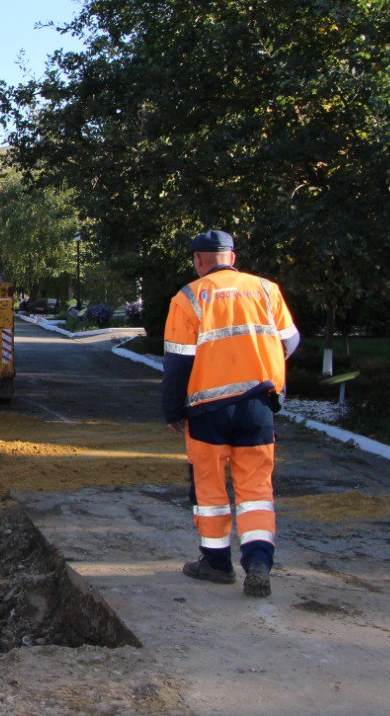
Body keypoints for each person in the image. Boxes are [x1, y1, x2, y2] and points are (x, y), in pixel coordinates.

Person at [161, 230, 299, 598]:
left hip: (207, 411)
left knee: (209, 487)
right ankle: (257, 560)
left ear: (199, 260)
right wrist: (264, 365)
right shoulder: (266, 290)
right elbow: (291, 340)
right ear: (232, 257)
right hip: (258, 405)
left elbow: (178, 360)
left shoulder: (189, 296)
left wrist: (173, 409)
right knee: (255, 488)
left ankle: (217, 564)